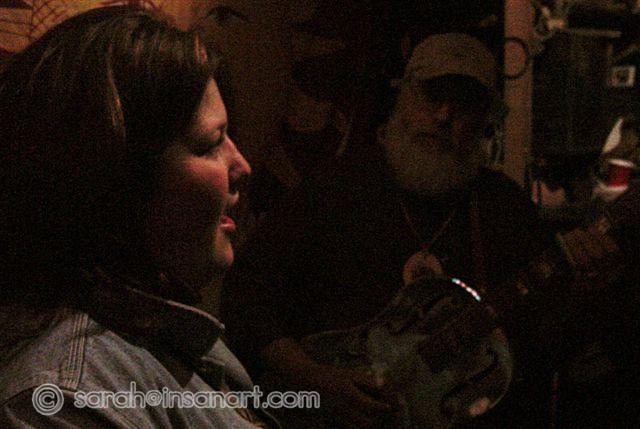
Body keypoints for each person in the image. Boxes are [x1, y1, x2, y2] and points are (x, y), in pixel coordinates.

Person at [222, 33, 561, 428]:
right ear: (403, 96)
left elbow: (542, 340)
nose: (444, 116)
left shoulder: (502, 207)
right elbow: (247, 294)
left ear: (485, 120)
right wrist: (316, 380)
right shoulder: (335, 188)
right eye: (432, 95)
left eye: (464, 103)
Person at [0, 6, 277, 428]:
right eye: (209, 144)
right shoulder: (66, 401)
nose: (242, 166)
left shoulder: (157, 329)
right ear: (116, 180)